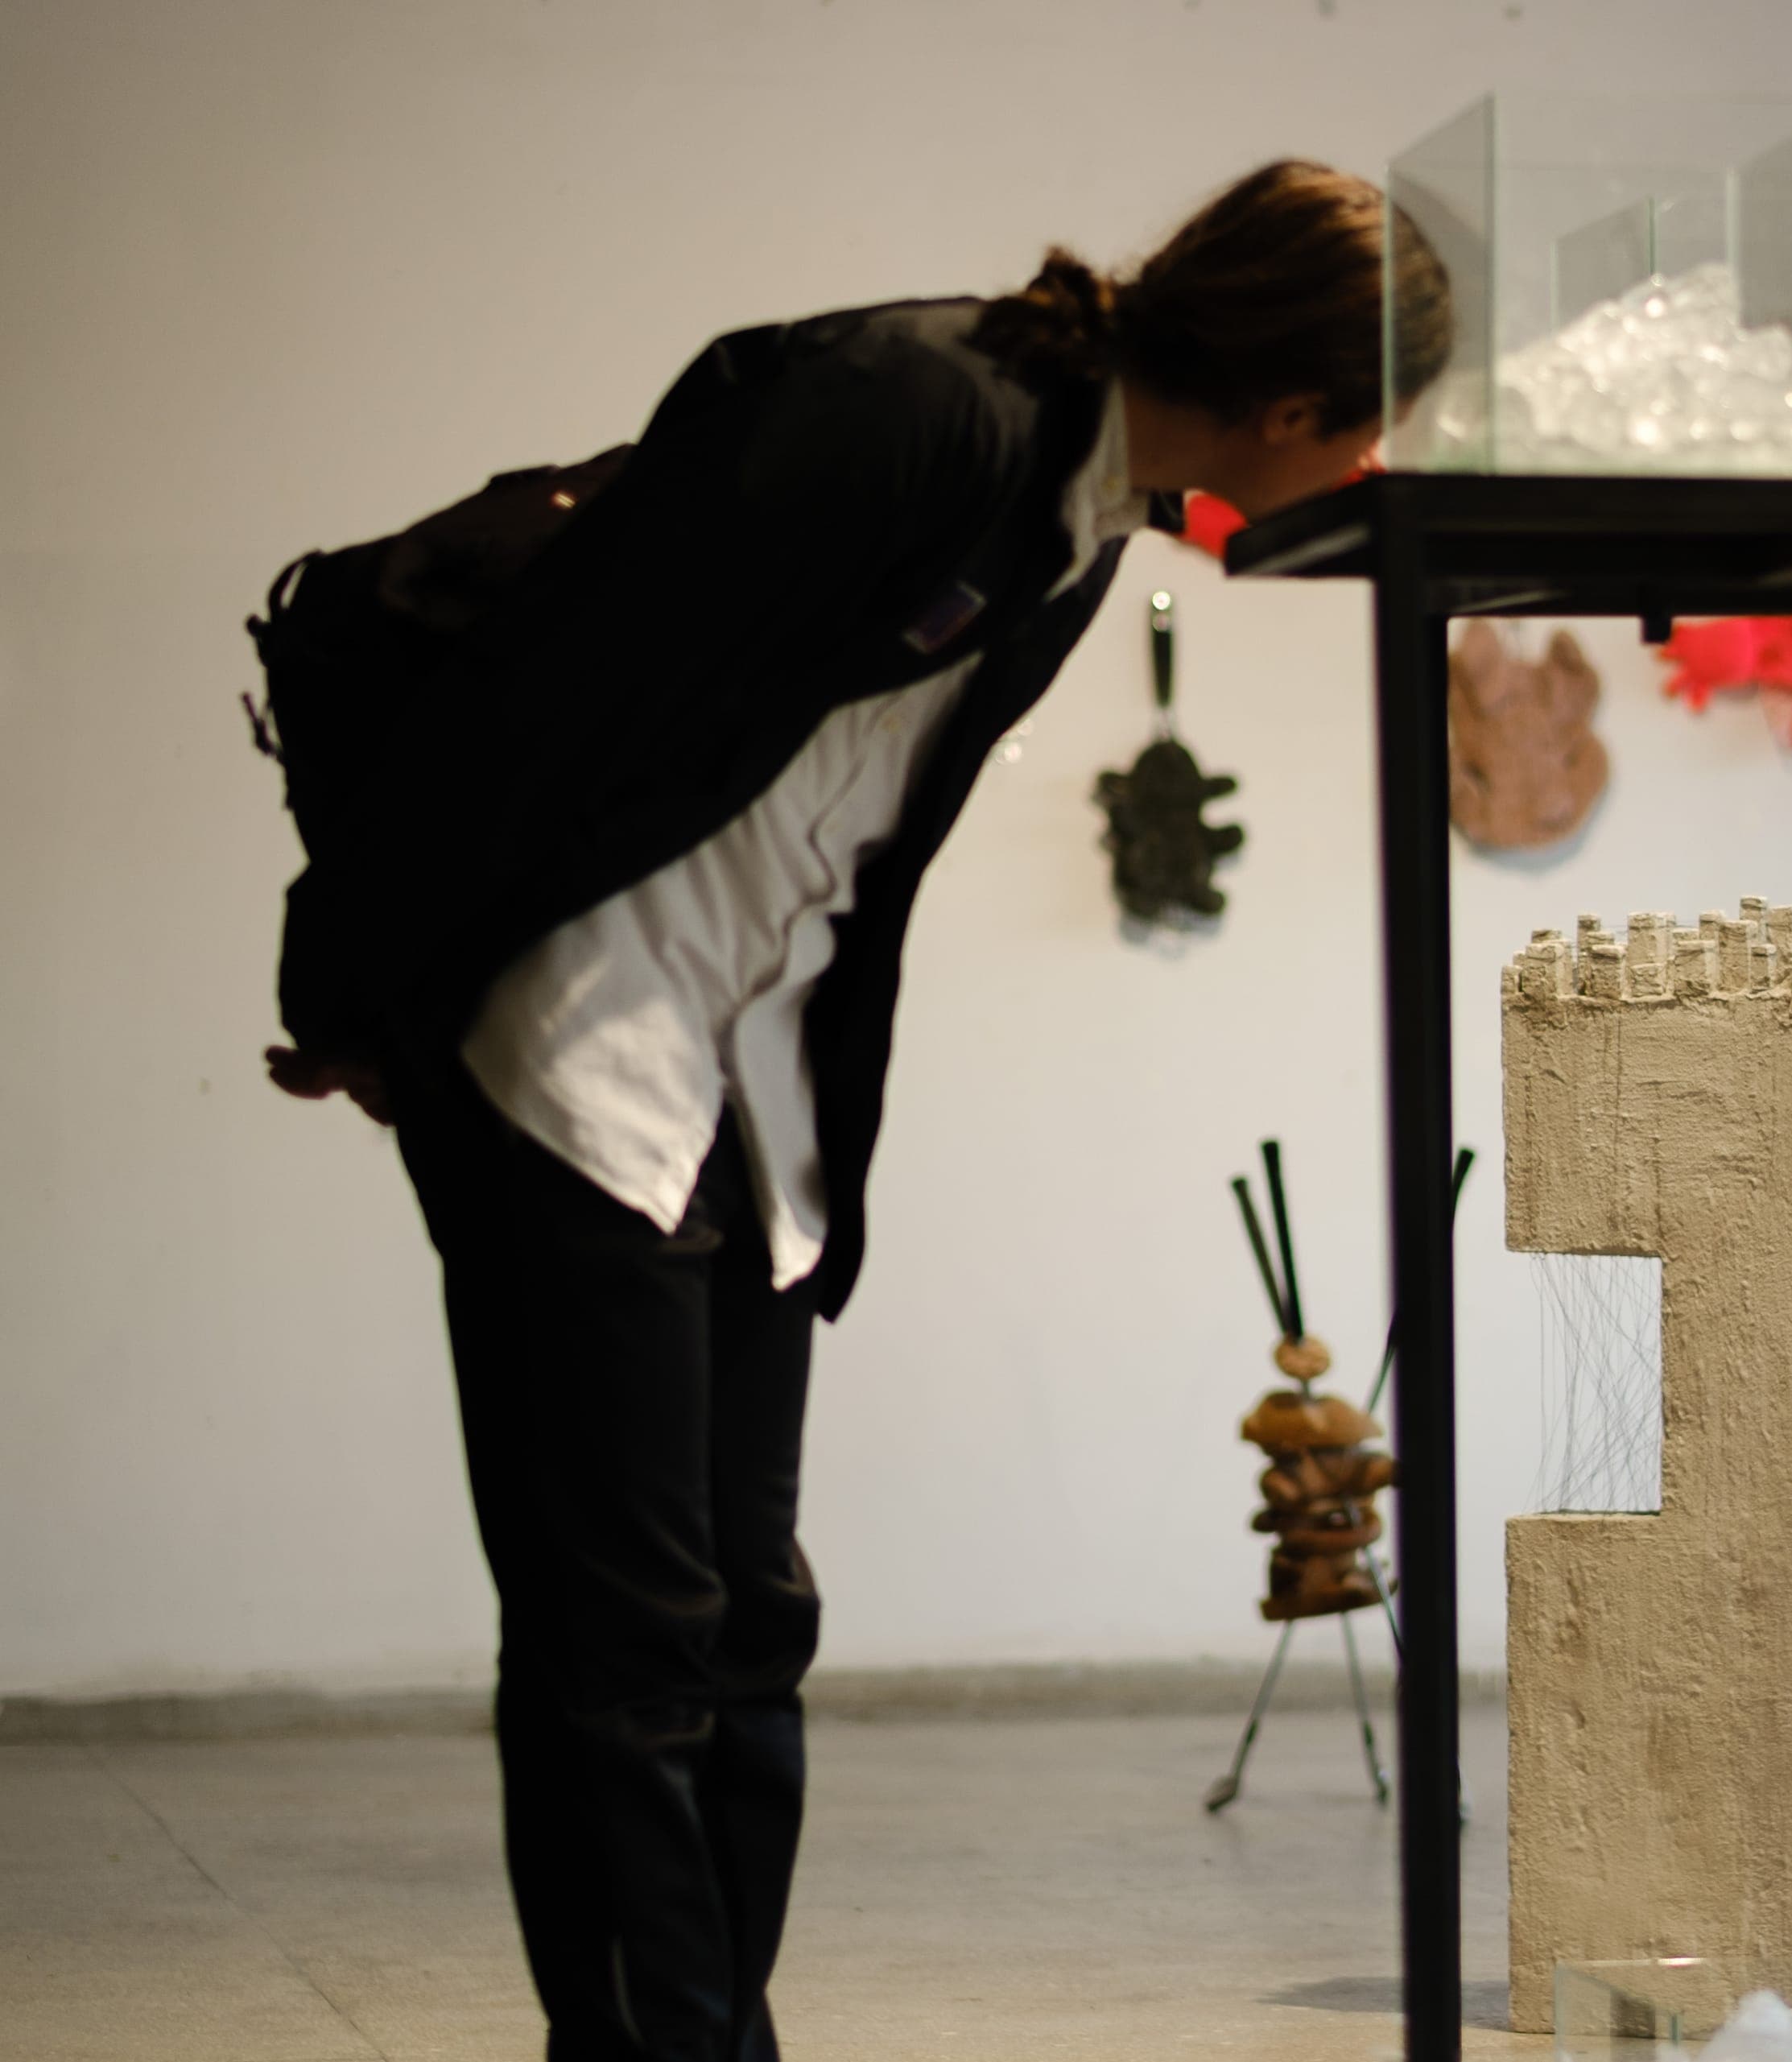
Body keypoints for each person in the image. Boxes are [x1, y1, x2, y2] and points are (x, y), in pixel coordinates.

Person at [259, 162, 1453, 2062]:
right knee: (623, 1640)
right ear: (1297, 408)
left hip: (746, 1074)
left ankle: (721, 2029)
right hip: (571, 1039)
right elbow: (553, 688)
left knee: (747, 1623)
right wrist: (354, 977)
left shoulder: (1082, 508)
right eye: (1383, 418)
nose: (1378, 460)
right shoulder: (912, 407)